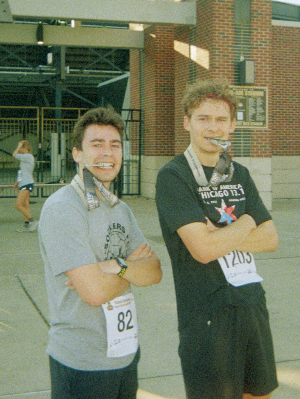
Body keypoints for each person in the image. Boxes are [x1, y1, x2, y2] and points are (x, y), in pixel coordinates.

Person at [155, 79, 279, 399]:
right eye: (203, 119)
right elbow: (204, 250)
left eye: (221, 119)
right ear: (187, 123)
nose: (213, 127)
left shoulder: (239, 173)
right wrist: (247, 222)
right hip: (206, 316)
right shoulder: (174, 176)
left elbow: (271, 238)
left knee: (261, 394)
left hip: (251, 304)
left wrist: (224, 233)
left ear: (233, 125)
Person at [38, 106, 162, 399]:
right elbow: (93, 292)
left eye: (115, 145)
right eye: (96, 144)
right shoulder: (63, 208)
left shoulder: (120, 208)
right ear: (76, 154)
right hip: (82, 363)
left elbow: (155, 271)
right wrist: (130, 266)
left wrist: (112, 265)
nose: (108, 152)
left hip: (125, 354)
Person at [12, 139, 38, 232]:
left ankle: (32, 221)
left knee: (18, 205)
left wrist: (18, 147)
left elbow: (14, 155)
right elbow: (22, 171)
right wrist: (17, 182)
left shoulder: (28, 156)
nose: (20, 150)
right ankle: (27, 225)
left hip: (26, 183)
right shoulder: (24, 158)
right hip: (24, 183)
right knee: (25, 205)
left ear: (25, 148)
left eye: (21, 148)